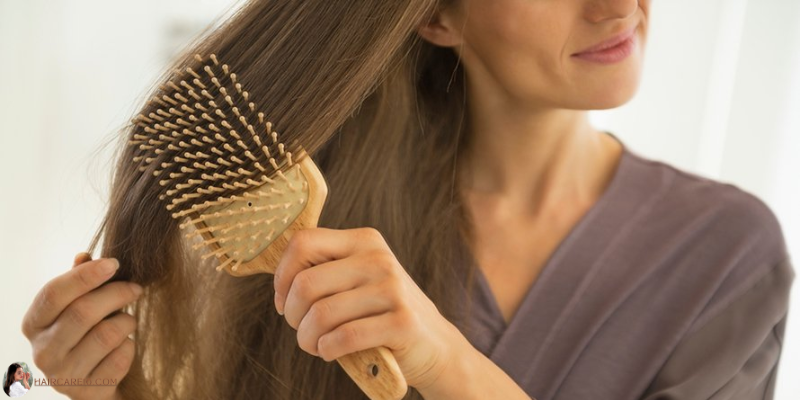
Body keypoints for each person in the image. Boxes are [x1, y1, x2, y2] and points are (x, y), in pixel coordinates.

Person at [21, 0, 794, 399]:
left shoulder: (725, 254)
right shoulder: (311, 211)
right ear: (433, 15)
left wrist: (445, 364)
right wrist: (113, 391)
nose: (618, 2)